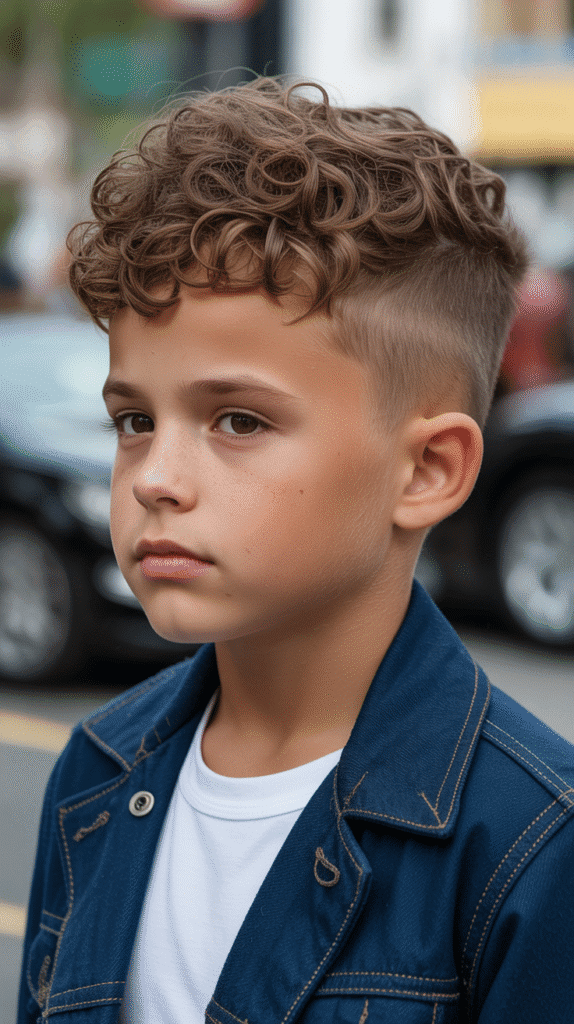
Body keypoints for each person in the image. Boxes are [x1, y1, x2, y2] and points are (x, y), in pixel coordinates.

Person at [18, 76, 574, 1024]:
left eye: (237, 419)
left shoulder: (533, 844)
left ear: (428, 471)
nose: (155, 476)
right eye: (133, 420)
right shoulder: (97, 771)